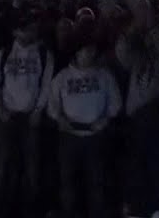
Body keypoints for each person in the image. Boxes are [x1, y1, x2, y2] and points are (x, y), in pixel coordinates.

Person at [47, 35, 121, 218]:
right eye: (86, 50)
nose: (90, 54)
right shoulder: (63, 77)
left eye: (92, 51)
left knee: (96, 181)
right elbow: (53, 104)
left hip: (95, 135)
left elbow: (115, 103)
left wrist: (105, 119)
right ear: (76, 53)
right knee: (68, 182)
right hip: (69, 135)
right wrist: (60, 118)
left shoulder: (104, 76)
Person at [0, 14, 53, 217]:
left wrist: (38, 110)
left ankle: (29, 205)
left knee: (31, 162)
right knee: (6, 161)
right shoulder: (3, 54)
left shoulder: (43, 54)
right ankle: (3, 203)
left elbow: (46, 85)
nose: (28, 33)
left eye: (31, 29)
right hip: (7, 114)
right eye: (24, 29)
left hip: (30, 114)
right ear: (15, 31)